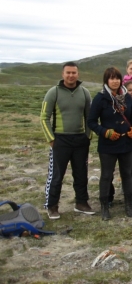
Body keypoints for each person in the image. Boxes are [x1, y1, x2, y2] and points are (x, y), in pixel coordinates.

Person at [41, 61, 94, 219]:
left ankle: (81, 203)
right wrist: (51, 139)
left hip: (80, 141)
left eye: (74, 73)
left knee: (81, 173)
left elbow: (89, 117)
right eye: (68, 72)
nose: (71, 75)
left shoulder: (84, 92)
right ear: (62, 74)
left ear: (78, 74)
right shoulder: (53, 92)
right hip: (60, 140)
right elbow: (44, 117)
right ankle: (52, 206)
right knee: (57, 175)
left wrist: (88, 136)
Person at [87, 67, 132, 220]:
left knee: (127, 174)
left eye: (117, 78)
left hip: (127, 143)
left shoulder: (128, 97)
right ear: (106, 81)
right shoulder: (100, 98)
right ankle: (104, 207)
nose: (115, 81)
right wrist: (105, 132)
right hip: (108, 145)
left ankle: (129, 205)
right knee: (106, 175)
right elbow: (91, 121)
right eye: (111, 78)